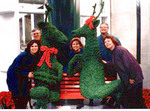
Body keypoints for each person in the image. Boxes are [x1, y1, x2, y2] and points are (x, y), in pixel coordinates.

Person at [102, 35, 146, 108]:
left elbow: (130, 63)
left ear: (113, 41)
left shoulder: (120, 50)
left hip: (134, 80)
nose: (106, 43)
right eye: (105, 42)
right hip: (129, 81)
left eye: (108, 41)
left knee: (135, 103)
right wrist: (106, 63)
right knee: (133, 102)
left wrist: (132, 77)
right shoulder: (114, 52)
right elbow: (115, 65)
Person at [89, 22, 121, 106]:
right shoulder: (96, 40)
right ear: (99, 29)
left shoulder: (114, 39)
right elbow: (92, 52)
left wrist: (110, 62)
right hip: (99, 65)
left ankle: (109, 98)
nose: (103, 29)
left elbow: (118, 51)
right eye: (101, 27)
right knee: (99, 82)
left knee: (111, 82)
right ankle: (97, 99)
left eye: (105, 27)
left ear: (108, 28)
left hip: (111, 65)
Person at [6, 40, 41, 109]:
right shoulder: (23, 55)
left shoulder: (35, 56)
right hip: (14, 78)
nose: (34, 48)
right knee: (19, 98)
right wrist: (27, 74)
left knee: (26, 96)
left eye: (36, 46)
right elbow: (15, 69)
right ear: (29, 47)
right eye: (32, 46)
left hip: (23, 78)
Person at [63, 37, 84, 109]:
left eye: (77, 44)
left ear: (80, 45)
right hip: (73, 72)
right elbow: (68, 64)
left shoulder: (83, 52)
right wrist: (71, 72)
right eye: (73, 44)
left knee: (81, 83)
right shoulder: (70, 53)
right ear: (71, 46)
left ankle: (80, 101)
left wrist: (78, 71)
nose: (75, 45)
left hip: (81, 72)